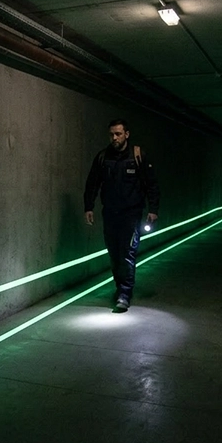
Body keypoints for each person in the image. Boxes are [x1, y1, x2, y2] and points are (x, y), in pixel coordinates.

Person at [83, 119, 160, 311]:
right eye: (111, 134)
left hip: (131, 214)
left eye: (118, 134)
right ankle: (120, 288)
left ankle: (125, 293)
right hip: (110, 213)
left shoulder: (137, 156)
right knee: (114, 254)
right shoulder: (103, 157)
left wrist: (153, 209)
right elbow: (92, 183)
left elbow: (152, 184)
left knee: (127, 254)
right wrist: (88, 207)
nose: (114, 138)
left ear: (127, 134)